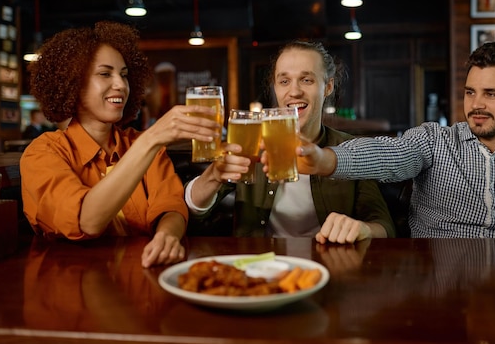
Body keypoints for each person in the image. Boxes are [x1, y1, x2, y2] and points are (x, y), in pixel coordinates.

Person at [289, 41, 495, 250]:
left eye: (491, 94)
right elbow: (388, 154)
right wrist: (325, 160)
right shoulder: (435, 141)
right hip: (436, 283)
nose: (476, 104)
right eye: (470, 92)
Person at [20, 21, 221, 268]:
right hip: (70, 285)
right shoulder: (43, 153)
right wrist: (151, 138)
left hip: (144, 281)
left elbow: (170, 207)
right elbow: (88, 221)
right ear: (74, 83)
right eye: (105, 74)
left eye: (124, 75)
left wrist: (167, 235)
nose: (120, 85)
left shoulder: (142, 145)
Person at [185, 40, 395, 243]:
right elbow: (193, 212)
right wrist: (213, 175)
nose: (294, 91)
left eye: (307, 80)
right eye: (284, 81)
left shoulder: (351, 150)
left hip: (327, 268)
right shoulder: (250, 141)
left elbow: (384, 225)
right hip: (260, 268)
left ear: (328, 86)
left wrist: (362, 229)